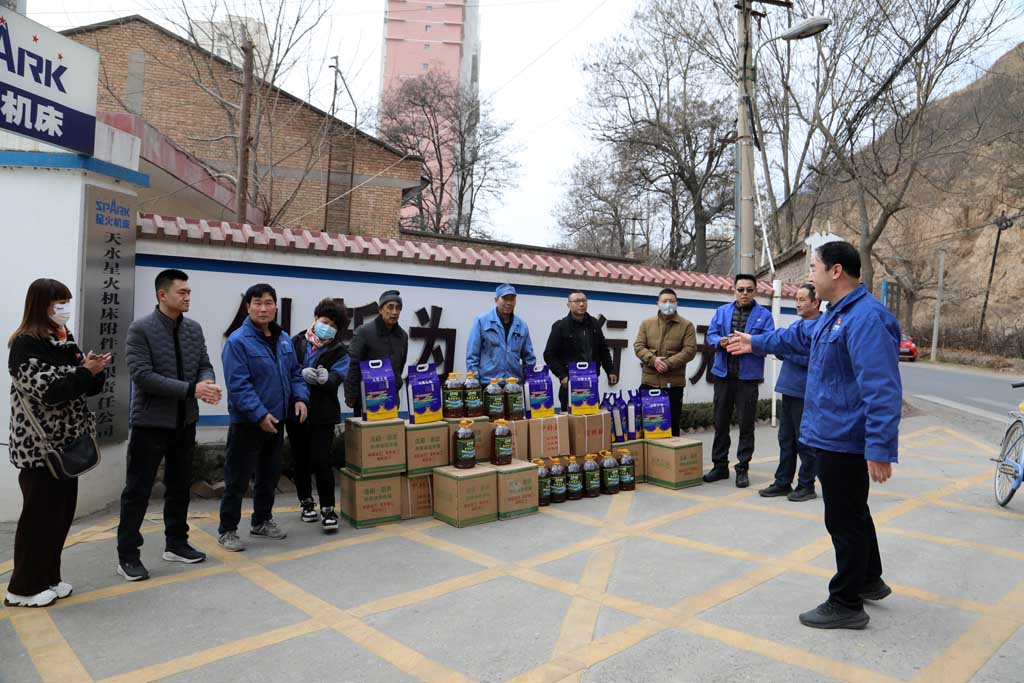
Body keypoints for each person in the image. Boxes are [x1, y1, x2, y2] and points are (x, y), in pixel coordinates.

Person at [727, 241, 902, 630]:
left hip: (845, 436)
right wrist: (755, 342)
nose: (808, 275)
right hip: (831, 431)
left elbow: (882, 389)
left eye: (813, 267)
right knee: (854, 511)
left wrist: (879, 447)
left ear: (835, 271)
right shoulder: (835, 315)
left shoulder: (866, 319)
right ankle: (869, 579)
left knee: (843, 519)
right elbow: (797, 339)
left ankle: (846, 602)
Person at [5, 279, 109, 607]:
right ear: (41, 305)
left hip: (68, 445)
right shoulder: (25, 345)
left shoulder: (64, 339)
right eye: (58, 302)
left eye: (66, 301)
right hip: (40, 449)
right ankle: (22, 589)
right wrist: (84, 372)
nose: (64, 308)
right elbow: (50, 391)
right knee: (37, 521)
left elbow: (83, 386)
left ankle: (49, 577)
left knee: (59, 518)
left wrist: (95, 370)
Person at [116, 269, 221, 581]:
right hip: (150, 423)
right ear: (162, 295)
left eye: (189, 292)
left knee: (179, 486)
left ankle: (176, 543)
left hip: (185, 421)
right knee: (137, 491)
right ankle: (127, 556)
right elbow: (143, 377)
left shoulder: (193, 329)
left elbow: (204, 364)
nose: (187, 297)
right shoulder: (140, 329)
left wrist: (207, 383)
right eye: (182, 292)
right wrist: (192, 389)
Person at [218, 284, 308, 551]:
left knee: (269, 475)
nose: (263, 308)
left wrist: (300, 398)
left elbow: (295, 373)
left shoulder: (283, 339)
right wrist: (259, 414)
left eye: (268, 303)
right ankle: (227, 530)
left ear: (275, 306)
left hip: (276, 420)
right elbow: (239, 385)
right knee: (237, 478)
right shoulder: (238, 341)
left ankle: (261, 521)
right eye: (257, 303)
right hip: (247, 423)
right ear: (248, 307)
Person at [703, 274, 775, 488]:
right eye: (741, 289)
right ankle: (720, 466)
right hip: (723, 376)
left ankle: (742, 469)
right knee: (720, 422)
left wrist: (751, 342)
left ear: (755, 291)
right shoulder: (722, 311)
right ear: (734, 290)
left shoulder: (764, 315)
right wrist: (721, 341)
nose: (744, 293)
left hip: (748, 379)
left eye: (749, 290)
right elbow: (710, 335)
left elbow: (769, 340)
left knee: (746, 425)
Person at [287, 298, 349, 532]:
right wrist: (300, 373)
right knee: (300, 460)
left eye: (333, 325)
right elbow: (286, 369)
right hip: (296, 411)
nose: (327, 327)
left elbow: (338, 376)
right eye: (325, 321)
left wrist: (327, 379)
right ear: (315, 319)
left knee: (322, 461)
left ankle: (328, 509)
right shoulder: (295, 342)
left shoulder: (340, 351)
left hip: (324, 414)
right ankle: (306, 503)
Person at [758, 283, 821, 503]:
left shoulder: (821, 327)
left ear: (816, 302)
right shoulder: (798, 326)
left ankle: (806, 485)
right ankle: (783, 482)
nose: (798, 303)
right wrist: (786, 350)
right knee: (786, 440)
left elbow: (814, 359)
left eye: (802, 299)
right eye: (797, 299)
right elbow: (782, 348)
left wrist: (788, 351)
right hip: (789, 389)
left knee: (805, 442)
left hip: (806, 393)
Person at [632, 288, 697, 436]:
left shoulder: (686, 325)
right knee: (648, 425)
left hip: (673, 385)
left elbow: (690, 350)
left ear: (677, 303)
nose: (668, 304)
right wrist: (653, 360)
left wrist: (668, 363)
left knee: (672, 426)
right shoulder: (647, 324)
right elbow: (638, 346)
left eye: (672, 301)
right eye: (664, 301)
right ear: (658, 303)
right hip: (649, 383)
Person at [544, 290, 618, 413]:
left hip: (591, 381)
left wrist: (610, 370)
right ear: (568, 305)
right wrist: (562, 375)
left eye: (584, 301)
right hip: (570, 382)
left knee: (592, 417)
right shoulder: (560, 326)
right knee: (572, 420)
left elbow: (603, 349)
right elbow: (549, 354)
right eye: (577, 301)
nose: (581, 304)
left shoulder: (594, 324)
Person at [344, 290, 408, 416]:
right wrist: (351, 394)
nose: (394, 312)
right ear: (380, 310)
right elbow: (352, 363)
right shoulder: (364, 332)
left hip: (391, 398)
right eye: (390, 307)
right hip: (367, 398)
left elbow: (400, 365)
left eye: (398, 308)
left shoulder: (403, 336)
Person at [466, 284, 536, 383]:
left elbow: (529, 358)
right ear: (496, 300)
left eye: (512, 299)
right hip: (488, 384)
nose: (509, 303)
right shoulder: (482, 322)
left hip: (513, 384)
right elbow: (472, 356)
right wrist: (474, 382)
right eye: (505, 299)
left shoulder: (521, 325)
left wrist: (529, 381)